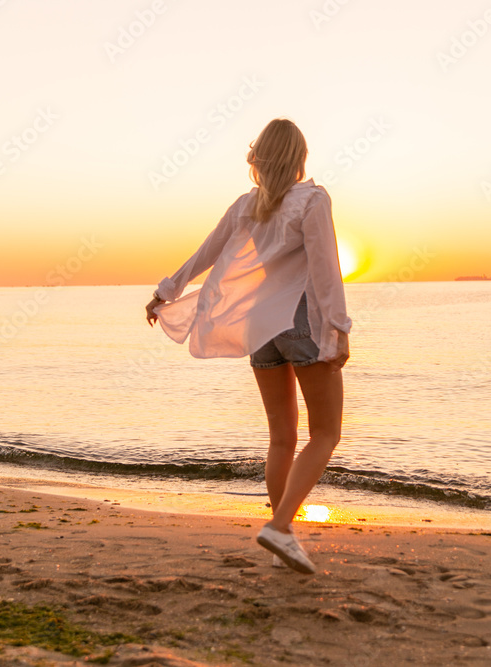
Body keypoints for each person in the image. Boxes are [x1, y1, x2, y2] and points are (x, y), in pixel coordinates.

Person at [144, 118, 351, 574]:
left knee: (281, 436)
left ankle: (283, 535)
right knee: (326, 433)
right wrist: (338, 327)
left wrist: (166, 292)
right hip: (300, 322)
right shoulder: (312, 200)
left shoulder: (246, 206)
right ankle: (279, 526)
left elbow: (205, 254)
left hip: (261, 325)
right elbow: (325, 270)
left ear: (258, 158)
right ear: (299, 159)